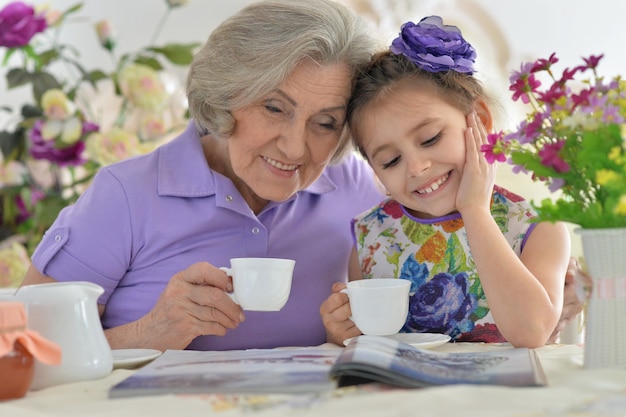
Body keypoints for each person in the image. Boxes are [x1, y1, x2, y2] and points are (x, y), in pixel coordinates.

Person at [21, 2, 581, 352]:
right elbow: (16, 347)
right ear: (226, 96)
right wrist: (146, 334)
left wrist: (560, 288)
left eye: (326, 123)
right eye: (273, 108)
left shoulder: (366, 193)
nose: (296, 146)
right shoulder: (124, 194)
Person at [320, 16, 572, 348]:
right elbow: (370, 347)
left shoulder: (536, 229)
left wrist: (475, 210)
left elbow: (531, 332)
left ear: (479, 120)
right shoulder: (372, 239)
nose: (417, 167)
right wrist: (340, 332)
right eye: (390, 160)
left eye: (430, 138)